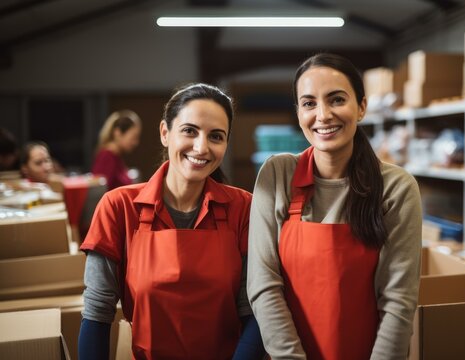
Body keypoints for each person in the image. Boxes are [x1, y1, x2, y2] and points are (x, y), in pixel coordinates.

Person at [247, 53, 423, 359]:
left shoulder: (395, 187)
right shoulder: (277, 175)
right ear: (299, 112)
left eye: (337, 99)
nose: (323, 115)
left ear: (362, 107)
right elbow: (263, 285)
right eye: (309, 103)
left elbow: (398, 302)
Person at [78, 83, 265, 359]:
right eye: (189, 131)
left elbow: (254, 312)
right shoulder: (119, 207)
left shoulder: (244, 208)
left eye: (216, 136)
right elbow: (97, 312)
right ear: (165, 133)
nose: (201, 147)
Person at [91, 109, 141, 190]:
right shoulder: (106, 157)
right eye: (133, 137)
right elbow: (100, 191)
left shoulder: (116, 156)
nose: (136, 143)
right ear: (118, 133)